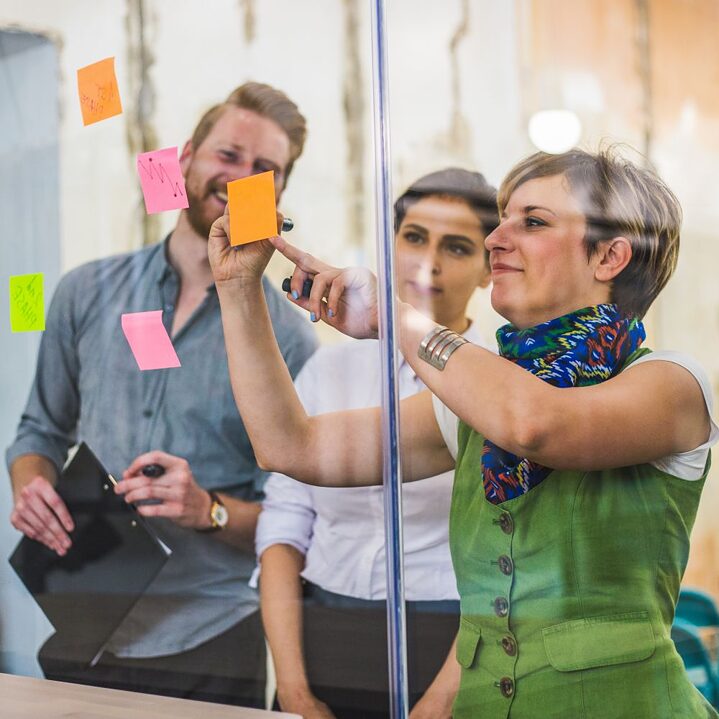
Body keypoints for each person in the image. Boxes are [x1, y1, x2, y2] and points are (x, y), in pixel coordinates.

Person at [208, 147, 719, 718]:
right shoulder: (474, 400)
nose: (496, 239)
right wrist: (238, 289)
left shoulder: (674, 383)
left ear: (609, 257)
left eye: (531, 221)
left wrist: (394, 315)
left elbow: (536, 424)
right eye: (501, 220)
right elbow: (290, 446)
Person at [6, 82, 317, 708]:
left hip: (209, 636)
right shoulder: (84, 291)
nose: (239, 179)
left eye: (264, 170)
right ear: (184, 163)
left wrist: (209, 509)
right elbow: (39, 431)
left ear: (278, 195)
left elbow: (301, 520)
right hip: (78, 613)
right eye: (227, 155)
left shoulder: (290, 339)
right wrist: (30, 484)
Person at [257, 169, 496, 719]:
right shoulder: (330, 366)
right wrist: (293, 692)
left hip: (452, 640)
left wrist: (437, 707)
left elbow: (508, 564)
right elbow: (284, 524)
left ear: (488, 268)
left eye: (456, 247)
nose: (427, 262)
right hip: (319, 630)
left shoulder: (497, 382)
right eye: (414, 237)